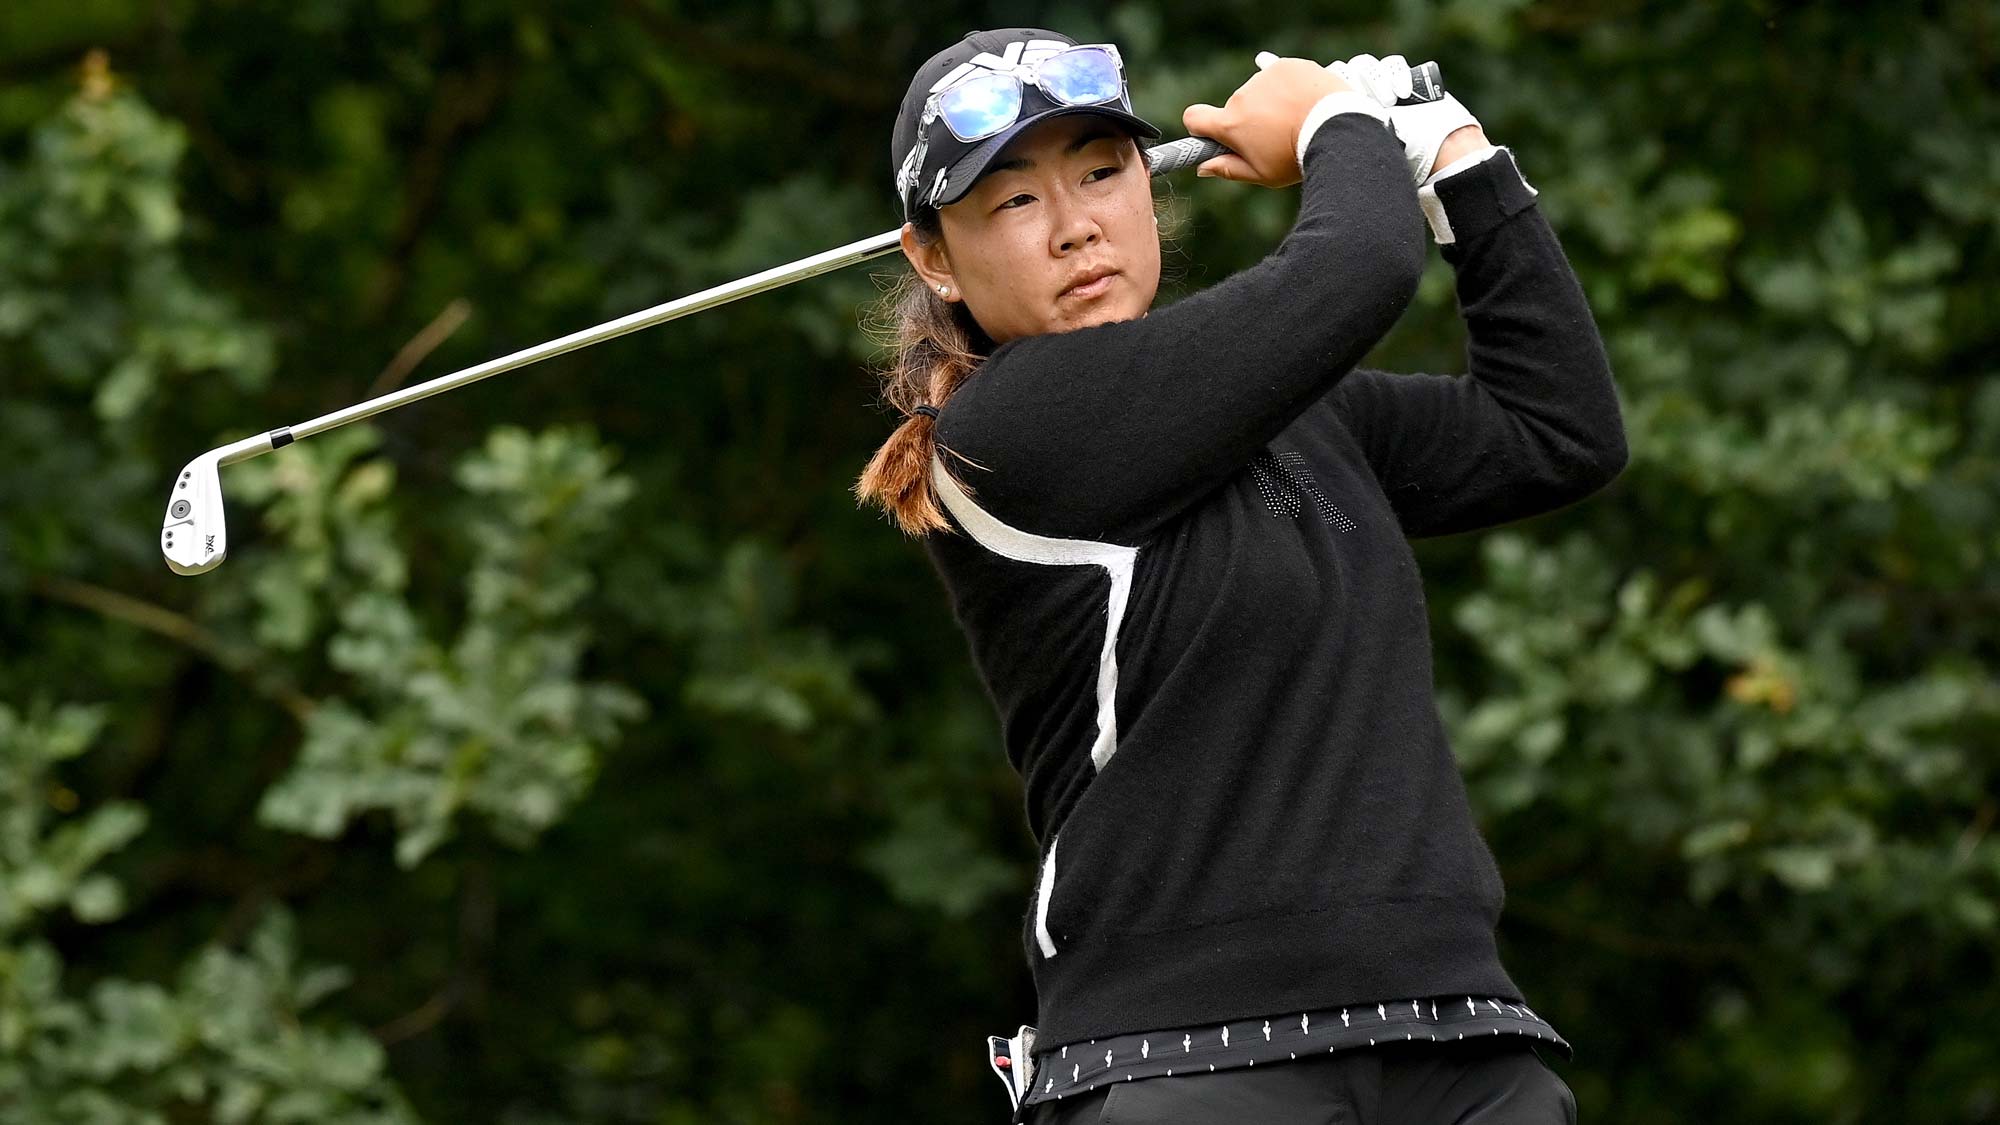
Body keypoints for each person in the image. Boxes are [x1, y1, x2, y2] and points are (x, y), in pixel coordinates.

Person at [857, 27, 1624, 1125]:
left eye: (1101, 173)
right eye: (1013, 202)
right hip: (1189, 1065)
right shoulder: (1007, 431)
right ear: (933, 257)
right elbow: (1355, 264)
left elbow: (1556, 429)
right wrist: (1335, 121)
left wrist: (1456, 158)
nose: (1077, 226)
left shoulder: (1294, 416)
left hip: (1455, 1037)